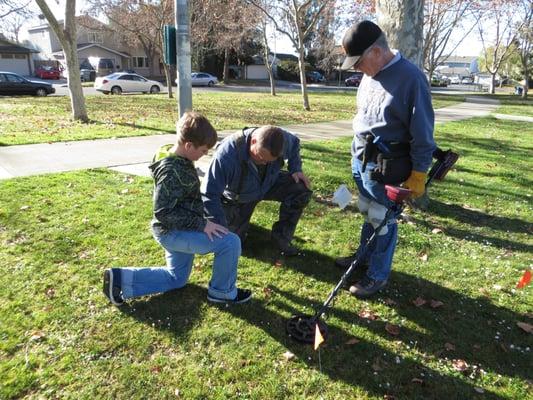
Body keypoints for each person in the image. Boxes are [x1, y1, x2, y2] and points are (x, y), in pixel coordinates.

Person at [103, 111, 252, 306]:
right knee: (230, 243)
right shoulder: (171, 171)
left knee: (177, 278)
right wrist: (202, 224)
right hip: (172, 232)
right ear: (188, 145)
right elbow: (163, 212)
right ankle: (222, 292)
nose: (205, 154)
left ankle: (121, 279)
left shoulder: (180, 159)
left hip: (176, 230)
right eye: (203, 150)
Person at [335, 20, 436, 298]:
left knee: (382, 219)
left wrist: (419, 173)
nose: (356, 68)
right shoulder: (369, 75)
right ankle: (363, 257)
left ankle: (377, 275)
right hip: (361, 159)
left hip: (387, 164)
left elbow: (423, 133)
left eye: (358, 62)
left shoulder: (411, 78)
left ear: (377, 52)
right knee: (367, 210)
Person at [201, 125, 312, 256]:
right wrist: (215, 222)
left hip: (267, 183)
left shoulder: (282, 139)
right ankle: (238, 225)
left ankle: (281, 238)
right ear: (253, 141)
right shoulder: (227, 155)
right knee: (233, 242)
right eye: (260, 157)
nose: (264, 163)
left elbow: (294, 144)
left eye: (269, 161)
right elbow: (209, 193)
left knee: (300, 189)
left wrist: (296, 169)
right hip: (238, 198)